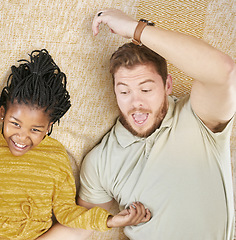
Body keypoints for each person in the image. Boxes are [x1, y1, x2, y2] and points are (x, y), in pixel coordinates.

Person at [39, 8, 236, 240]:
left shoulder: (198, 117)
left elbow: (225, 72)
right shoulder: (101, 161)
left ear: (167, 85)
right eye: (124, 91)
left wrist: (136, 29)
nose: (136, 103)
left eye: (146, 89)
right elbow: (78, 228)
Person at [0, 49, 151, 240]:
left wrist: (110, 220)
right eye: (15, 123)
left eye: (36, 130)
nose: (22, 137)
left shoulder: (57, 158)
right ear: (2, 113)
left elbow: (67, 213)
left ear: (49, 127)